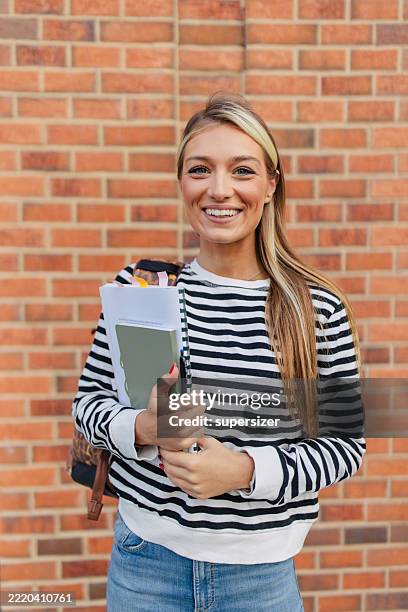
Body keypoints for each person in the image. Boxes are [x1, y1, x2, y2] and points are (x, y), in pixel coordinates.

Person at [72, 92, 366, 611]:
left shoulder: (314, 308)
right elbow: (88, 406)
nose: (219, 189)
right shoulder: (143, 290)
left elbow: (343, 448)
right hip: (146, 566)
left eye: (242, 170)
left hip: (260, 580)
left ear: (271, 184)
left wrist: (245, 470)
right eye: (200, 169)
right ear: (183, 182)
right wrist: (142, 427)